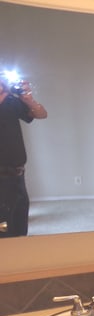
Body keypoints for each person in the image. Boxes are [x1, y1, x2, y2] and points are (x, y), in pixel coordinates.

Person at [0, 74, 47, 237]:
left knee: (19, 224)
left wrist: (28, 99)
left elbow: (41, 114)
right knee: (3, 228)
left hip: (18, 174)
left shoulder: (11, 101)